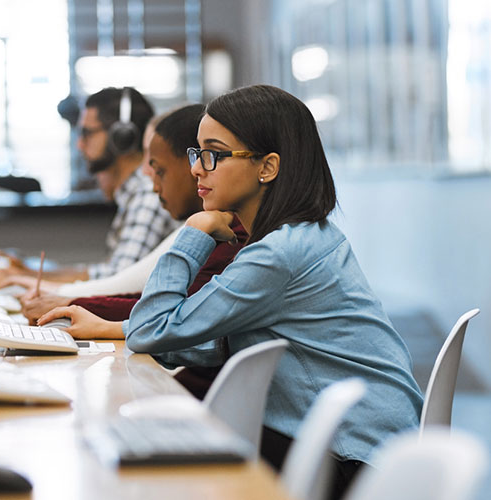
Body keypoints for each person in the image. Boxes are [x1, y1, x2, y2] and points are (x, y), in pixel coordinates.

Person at [40, 85, 423, 499]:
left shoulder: (278, 255)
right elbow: (225, 341)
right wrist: (111, 327)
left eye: (214, 154)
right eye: (197, 153)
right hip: (371, 445)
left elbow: (152, 330)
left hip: (355, 461)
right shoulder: (297, 238)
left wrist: (193, 232)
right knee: (153, 440)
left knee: (149, 455)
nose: (197, 169)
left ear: (268, 167)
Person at [20, 104, 245, 325]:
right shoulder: (217, 225)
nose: (196, 169)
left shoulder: (232, 236)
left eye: (213, 155)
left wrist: (70, 304)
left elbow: (168, 317)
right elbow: (158, 306)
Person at [0, 87, 178, 290]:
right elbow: (106, 273)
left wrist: (21, 279)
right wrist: (27, 273)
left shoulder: (148, 196)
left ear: (121, 137)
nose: (79, 145)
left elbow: (116, 283)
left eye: (87, 133)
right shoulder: (134, 195)